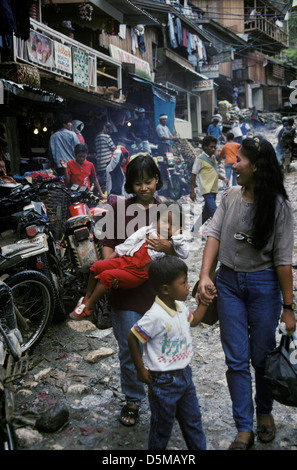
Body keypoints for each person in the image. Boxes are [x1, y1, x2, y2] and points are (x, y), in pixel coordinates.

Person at [196, 136, 296, 450]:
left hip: (264, 288)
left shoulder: (279, 207)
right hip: (227, 286)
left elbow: (282, 262)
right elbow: (213, 234)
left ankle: (264, 412)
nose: (233, 163)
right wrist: (203, 276)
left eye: (239, 159)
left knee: (262, 358)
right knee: (236, 359)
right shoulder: (228, 196)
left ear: (256, 166)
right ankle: (244, 427)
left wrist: (288, 306)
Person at [96, 154, 179, 426]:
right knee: (128, 349)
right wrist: (110, 274)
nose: (143, 187)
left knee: (159, 347)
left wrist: (168, 248)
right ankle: (133, 399)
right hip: (126, 293)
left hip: (158, 295)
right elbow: (107, 246)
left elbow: (178, 251)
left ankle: (160, 394)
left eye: (148, 181)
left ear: (157, 180)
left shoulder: (168, 210)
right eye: (137, 182)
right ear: (129, 184)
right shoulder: (119, 210)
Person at [128, 256, 211, 450]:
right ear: (166, 289)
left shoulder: (180, 307)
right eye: (183, 283)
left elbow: (195, 320)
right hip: (162, 381)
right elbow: (132, 337)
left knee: (193, 423)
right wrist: (140, 369)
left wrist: (206, 302)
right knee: (161, 429)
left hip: (185, 376)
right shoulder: (155, 315)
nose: (187, 286)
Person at [69, 201, 189, 320]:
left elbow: (184, 254)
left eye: (173, 224)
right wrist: (108, 261)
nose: (167, 226)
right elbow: (128, 244)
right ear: (156, 220)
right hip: (126, 260)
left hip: (138, 272)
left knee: (107, 276)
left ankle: (90, 307)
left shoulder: (173, 242)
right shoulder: (147, 230)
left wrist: (177, 236)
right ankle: (87, 297)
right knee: (97, 267)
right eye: (164, 221)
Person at [190, 136, 229, 227]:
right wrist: (192, 191)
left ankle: (194, 231)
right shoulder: (200, 159)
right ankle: (220, 234)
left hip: (214, 189)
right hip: (207, 190)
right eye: (211, 147)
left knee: (206, 214)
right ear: (205, 147)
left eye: (214, 147)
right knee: (215, 213)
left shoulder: (213, 159)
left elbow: (215, 172)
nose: (213, 149)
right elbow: (193, 175)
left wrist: (224, 178)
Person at [94, 122, 116, 191]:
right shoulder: (106, 137)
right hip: (106, 163)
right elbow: (113, 148)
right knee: (107, 184)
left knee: (101, 184)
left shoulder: (96, 138)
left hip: (99, 164)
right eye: (107, 128)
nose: (108, 130)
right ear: (104, 128)